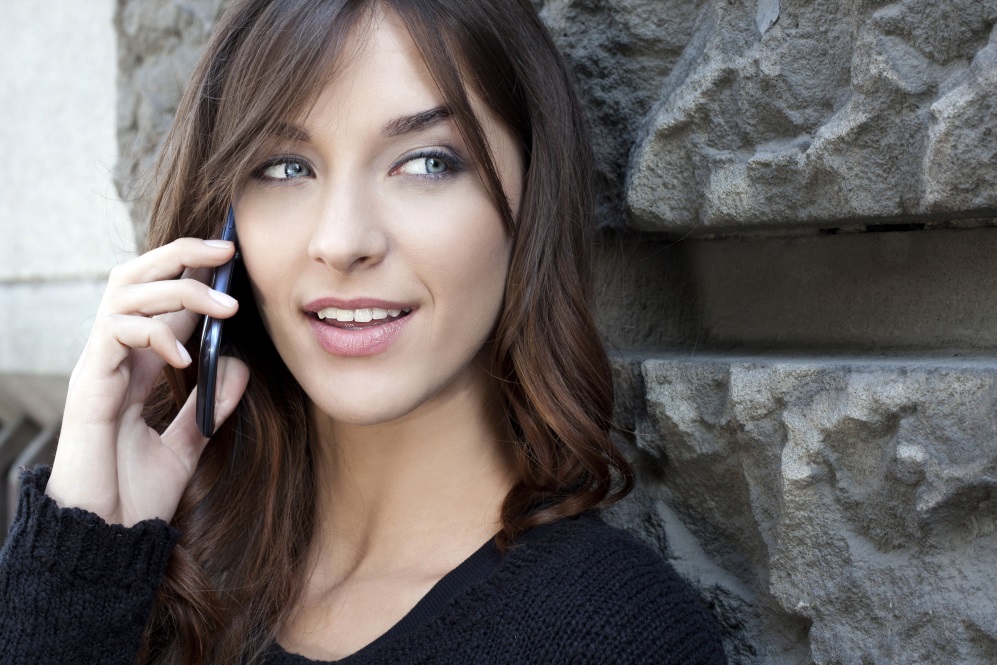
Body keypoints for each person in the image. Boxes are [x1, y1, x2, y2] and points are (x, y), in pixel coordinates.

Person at [0, 0, 726, 662]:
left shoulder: (613, 635)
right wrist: (84, 558)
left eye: (425, 162)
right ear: (225, 230)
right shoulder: (158, 575)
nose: (342, 241)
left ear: (531, 201)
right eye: (285, 167)